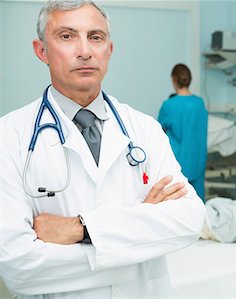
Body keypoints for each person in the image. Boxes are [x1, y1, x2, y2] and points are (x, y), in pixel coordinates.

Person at [0, 1, 205, 298]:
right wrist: (140, 247)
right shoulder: (10, 135)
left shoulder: (144, 128)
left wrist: (82, 229)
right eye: (67, 36)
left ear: (109, 50)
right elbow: (16, 265)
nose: (85, 50)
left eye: (96, 37)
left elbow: (190, 219)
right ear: (41, 50)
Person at [158, 64, 208, 201]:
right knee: (197, 202)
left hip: (177, 161)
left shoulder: (169, 105)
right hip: (197, 159)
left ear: (174, 80)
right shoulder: (199, 103)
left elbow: (159, 132)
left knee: (178, 204)